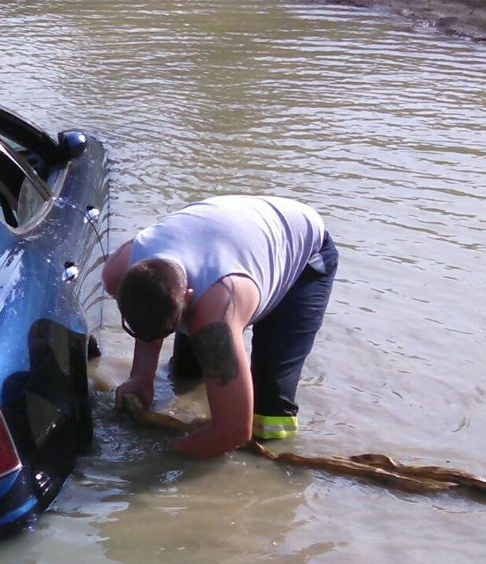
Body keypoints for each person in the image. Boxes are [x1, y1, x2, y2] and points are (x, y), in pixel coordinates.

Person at [103, 195, 337, 458]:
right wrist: (140, 377)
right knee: (185, 373)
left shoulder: (216, 312)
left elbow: (235, 431)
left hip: (301, 253)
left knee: (269, 417)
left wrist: (161, 459)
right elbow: (148, 310)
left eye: (170, 328)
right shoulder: (116, 273)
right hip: (229, 229)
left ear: (189, 298)